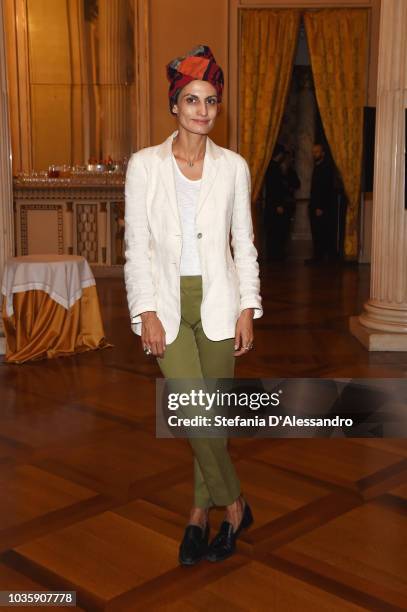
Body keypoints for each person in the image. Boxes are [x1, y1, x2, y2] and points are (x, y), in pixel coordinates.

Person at [123, 45, 263, 566]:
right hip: (165, 300)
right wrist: (146, 311)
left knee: (213, 417)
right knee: (192, 412)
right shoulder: (145, 166)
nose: (203, 110)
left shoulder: (233, 167)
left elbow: (243, 243)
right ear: (174, 106)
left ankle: (196, 516)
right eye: (192, 100)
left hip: (220, 301)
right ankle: (235, 506)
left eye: (211, 101)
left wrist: (248, 305)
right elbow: (137, 245)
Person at [305, 143, 337, 265]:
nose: (314, 154)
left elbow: (325, 189)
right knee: (317, 232)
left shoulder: (325, 168)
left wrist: (320, 206)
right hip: (315, 206)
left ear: (323, 153)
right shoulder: (317, 167)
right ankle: (319, 256)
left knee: (322, 232)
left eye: (317, 152)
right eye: (313, 152)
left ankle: (322, 257)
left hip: (321, 207)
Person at [264, 144, 286, 261]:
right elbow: (276, 188)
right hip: (274, 204)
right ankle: (275, 255)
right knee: (276, 230)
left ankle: (274, 254)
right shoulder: (274, 168)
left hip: (270, 204)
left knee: (273, 230)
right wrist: (279, 204)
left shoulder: (269, 166)